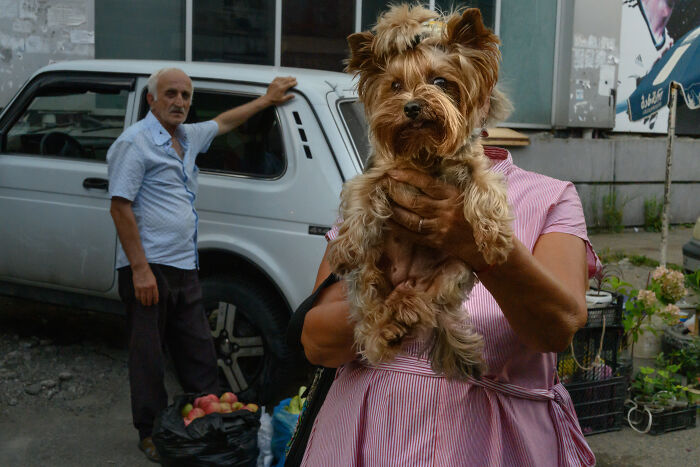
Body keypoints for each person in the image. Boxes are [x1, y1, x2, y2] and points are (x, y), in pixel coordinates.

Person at [299, 143, 601, 465]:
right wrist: (396, 291)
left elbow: (556, 331)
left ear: (484, 94)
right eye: (397, 89)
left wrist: (477, 245)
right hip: (361, 438)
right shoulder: (378, 189)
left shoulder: (548, 197)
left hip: (490, 445)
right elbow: (318, 346)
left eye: (444, 88)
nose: (420, 99)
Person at [107, 67, 296, 463]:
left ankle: (207, 422)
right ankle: (151, 432)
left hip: (184, 265)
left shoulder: (187, 137)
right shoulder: (134, 143)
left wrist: (267, 99)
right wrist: (140, 270)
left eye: (186, 96)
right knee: (148, 357)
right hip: (148, 268)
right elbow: (120, 207)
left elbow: (224, 122)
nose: (179, 102)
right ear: (151, 99)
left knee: (197, 348)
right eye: (171, 94)